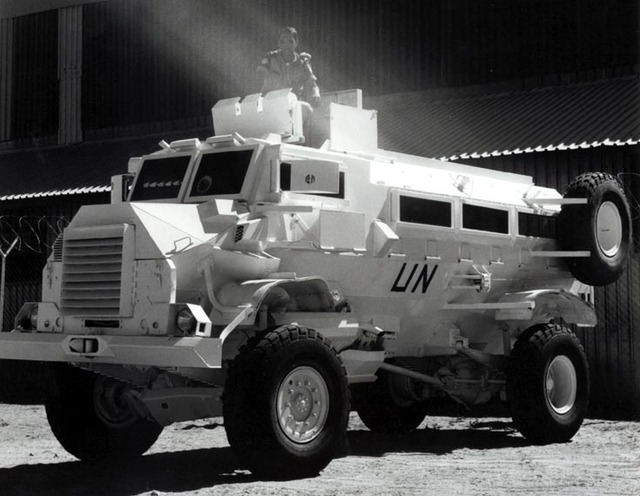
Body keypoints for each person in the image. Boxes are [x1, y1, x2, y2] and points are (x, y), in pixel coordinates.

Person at [257, 27, 321, 108]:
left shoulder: (302, 62)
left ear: (296, 43)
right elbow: (258, 80)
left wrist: (316, 93)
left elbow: (312, 84)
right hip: (271, 102)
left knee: (307, 109)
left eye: (290, 42)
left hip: (293, 104)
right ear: (278, 43)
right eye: (282, 42)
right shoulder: (270, 58)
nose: (286, 45)